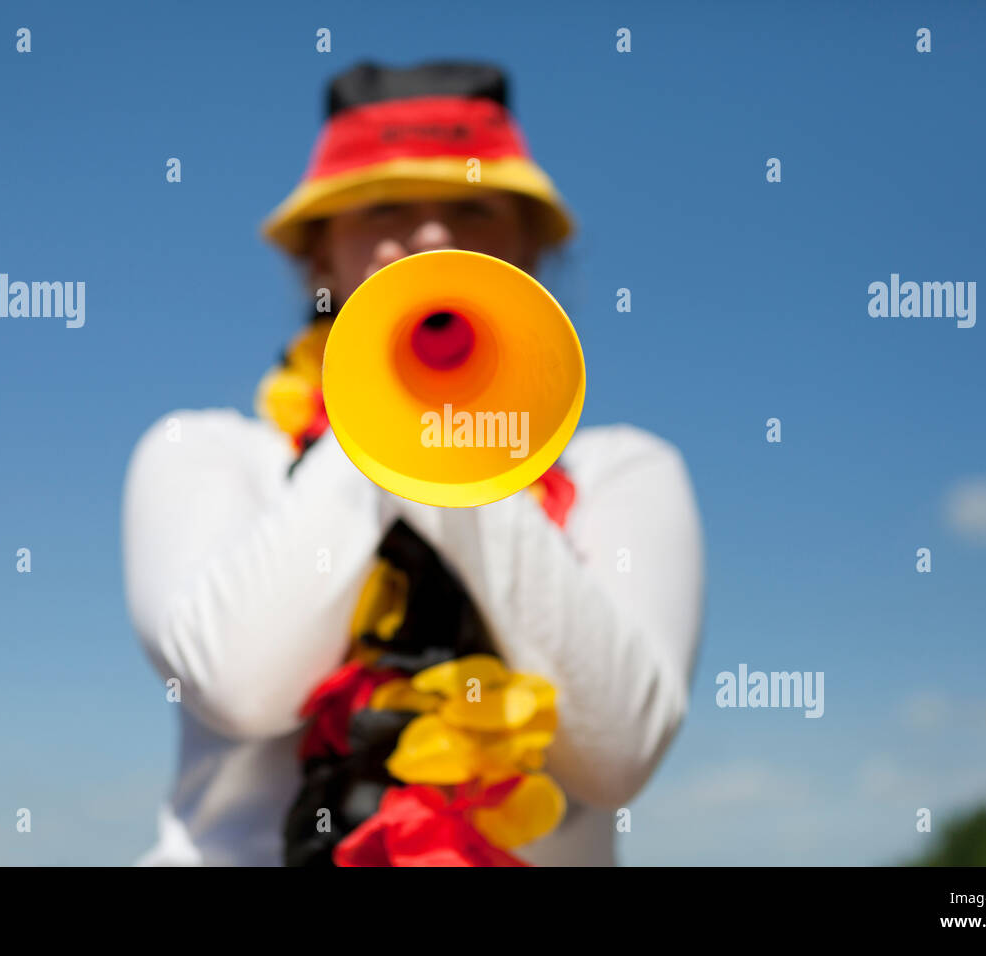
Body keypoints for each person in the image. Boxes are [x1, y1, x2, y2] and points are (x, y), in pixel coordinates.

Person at [121, 60, 705, 866]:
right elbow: (240, 683)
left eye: (472, 208)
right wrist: (384, 402)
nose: (432, 237)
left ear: (530, 248)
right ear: (318, 256)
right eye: (386, 208)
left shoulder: (624, 470)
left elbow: (619, 753)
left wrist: (465, 431)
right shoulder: (201, 451)